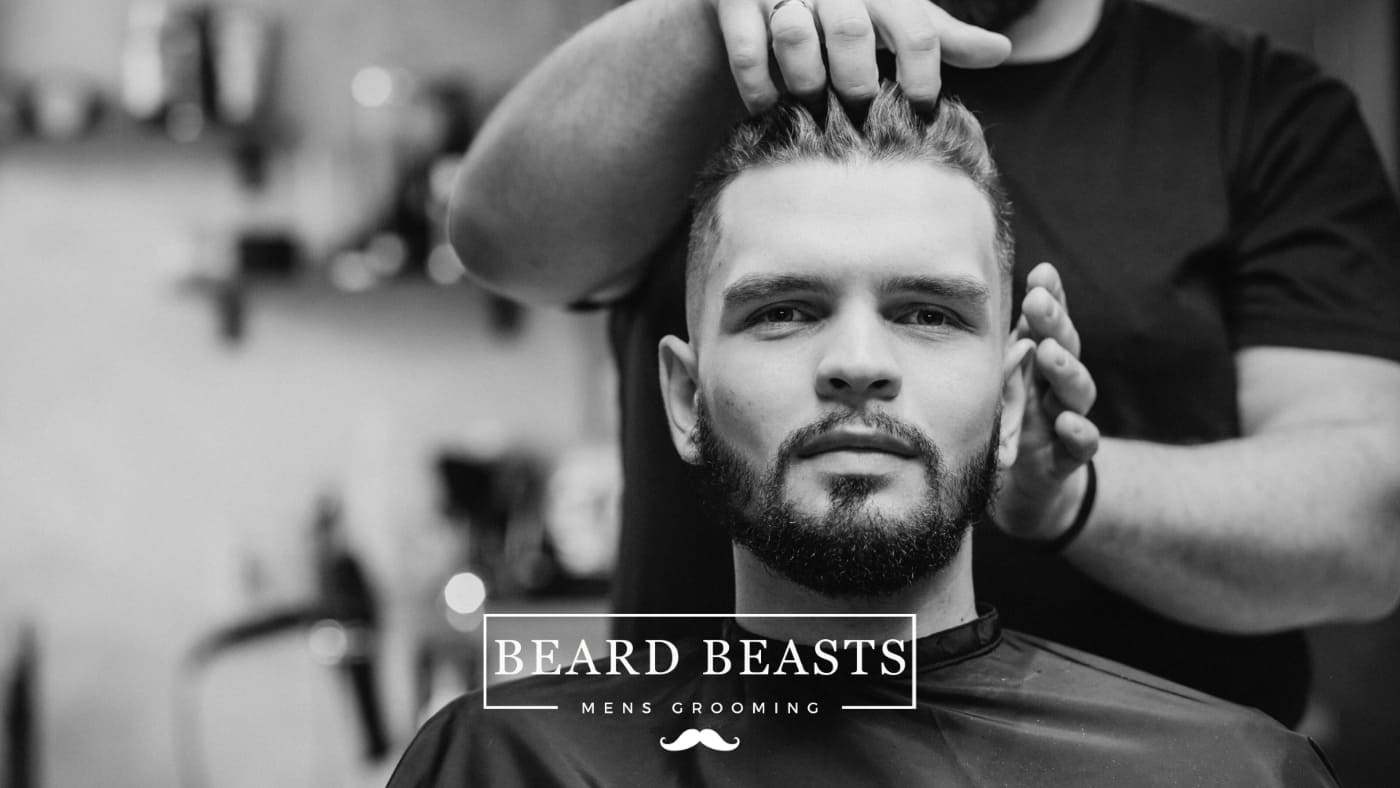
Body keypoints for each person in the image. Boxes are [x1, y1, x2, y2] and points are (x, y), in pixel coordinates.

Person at [448, 0, 1400, 726]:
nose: (858, 360)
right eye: (784, 311)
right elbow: (499, 240)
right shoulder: (704, 65)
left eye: (929, 315)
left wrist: (1066, 497)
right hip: (701, 744)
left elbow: (1368, 526)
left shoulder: (1256, 113)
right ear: (684, 391)